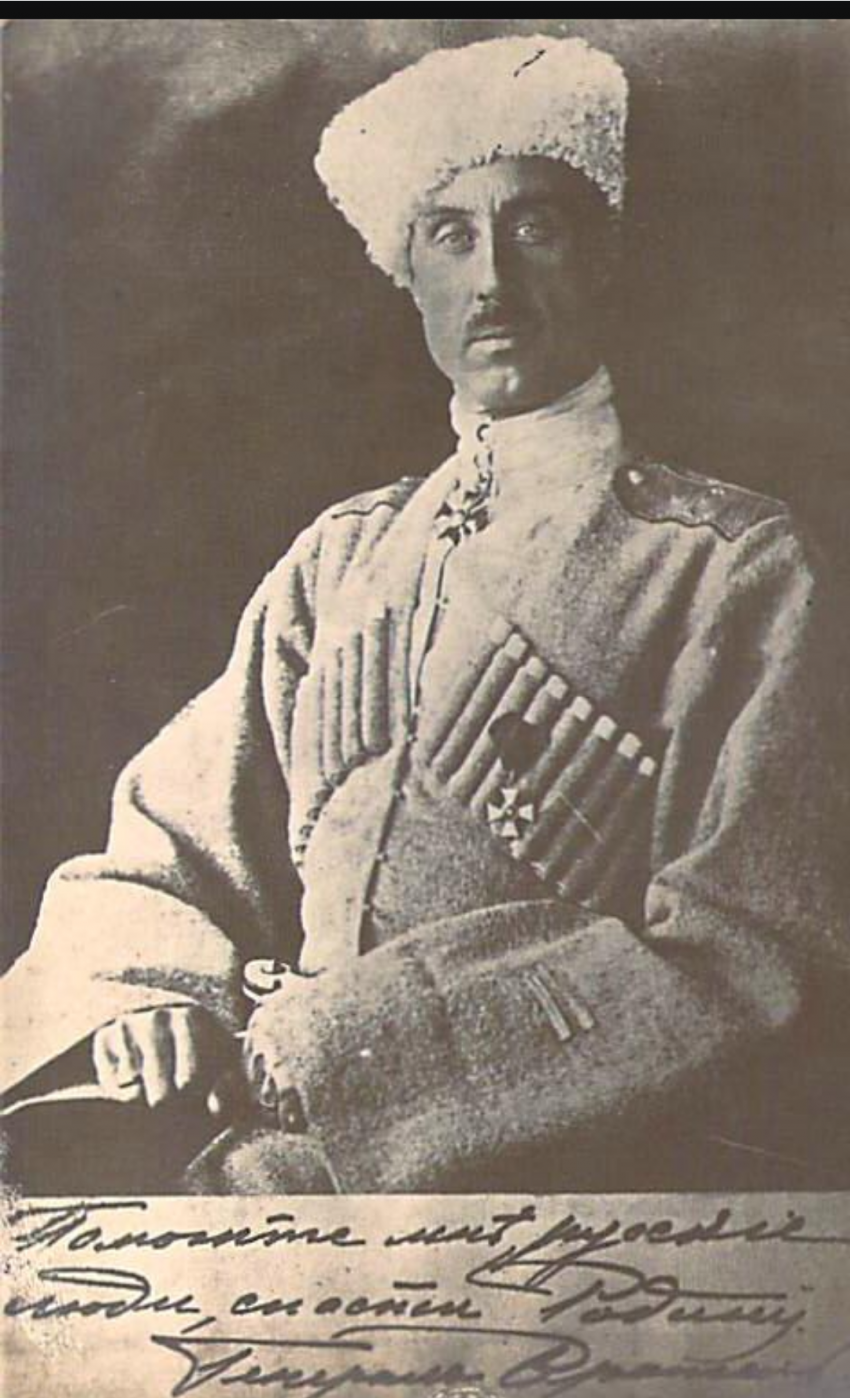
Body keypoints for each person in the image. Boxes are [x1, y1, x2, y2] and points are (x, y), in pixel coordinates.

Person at [3, 35, 848, 1193]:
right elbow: (166, 852)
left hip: (583, 1195)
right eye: (450, 236)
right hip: (280, 1178)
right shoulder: (341, 560)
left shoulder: (727, 564)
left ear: (602, 253)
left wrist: (362, 1048)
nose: (491, 278)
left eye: (533, 228)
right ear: (409, 278)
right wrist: (141, 999)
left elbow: (755, 951)